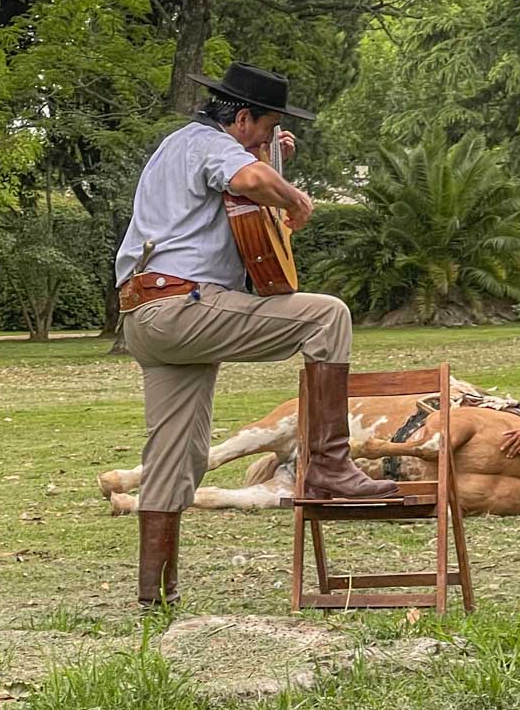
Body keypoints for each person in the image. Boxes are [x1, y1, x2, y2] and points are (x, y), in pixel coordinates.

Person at [114, 62, 398, 608]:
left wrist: (271, 156)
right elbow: (247, 180)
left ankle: (155, 601)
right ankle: (332, 465)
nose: (267, 139)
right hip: (182, 306)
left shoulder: (177, 148)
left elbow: (244, 183)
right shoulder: (208, 144)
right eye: (265, 128)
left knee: (181, 456)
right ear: (241, 118)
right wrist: (292, 197)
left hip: (145, 317)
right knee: (327, 316)